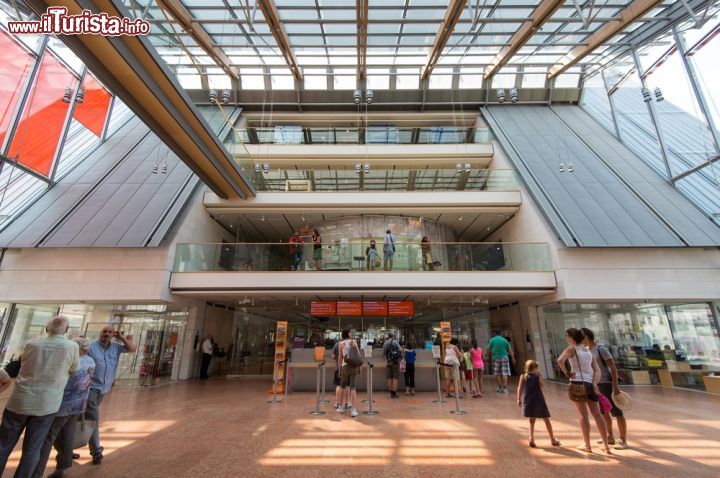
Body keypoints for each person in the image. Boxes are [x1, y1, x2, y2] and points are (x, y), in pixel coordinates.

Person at [0, 316, 80, 477]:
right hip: (46, 404)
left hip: (20, 400)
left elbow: (23, 362)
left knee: (3, 445)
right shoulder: (71, 346)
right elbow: (74, 369)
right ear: (66, 330)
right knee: (32, 449)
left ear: (46, 328)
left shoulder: (32, 344)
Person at [32, 338, 96, 478]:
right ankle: (63, 468)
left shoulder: (73, 362)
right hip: (79, 405)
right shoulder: (91, 361)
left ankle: (37, 471)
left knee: (49, 436)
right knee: (68, 434)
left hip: (63, 405)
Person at [85, 325, 136, 465]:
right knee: (93, 418)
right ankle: (96, 450)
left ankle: (65, 449)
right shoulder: (91, 347)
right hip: (89, 387)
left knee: (81, 418)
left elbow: (132, 349)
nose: (106, 334)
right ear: (99, 332)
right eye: (104, 331)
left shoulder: (116, 347)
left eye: (109, 332)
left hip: (103, 388)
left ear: (114, 334)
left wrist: (122, 338)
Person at [557, 328, 610, 454]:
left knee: (583, 415)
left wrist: (567, 373)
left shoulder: (571, 349)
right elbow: (597, 370)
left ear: (571, 337)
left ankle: (587, 445)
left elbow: (560, 360)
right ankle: (606, 445)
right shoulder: (588, 351)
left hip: (577, 383)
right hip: (590, 384)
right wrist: (595, 383)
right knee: (597, 414)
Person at [581, 328, 629, 450]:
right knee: (603, 412)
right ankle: (610, 436)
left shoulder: (600, 349)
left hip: (606, 384)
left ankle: (623, 440)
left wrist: (615, 386)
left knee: (617, 412)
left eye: (582, 338)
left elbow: (612, 367)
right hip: (597, 385)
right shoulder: (587, 350)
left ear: (586, 337)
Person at [517, 360, 560, 448]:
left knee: (531, 420)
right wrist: (540, 376)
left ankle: (531, 438)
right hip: (539, 400)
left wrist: (518, 399)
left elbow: (519, 388)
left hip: (528, 400)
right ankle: (552, 439)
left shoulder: (523, 376)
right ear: (535, 368)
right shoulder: (537, 376)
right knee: (546, 420)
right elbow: (542, 385)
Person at [337, 329, 361, 417]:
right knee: (353, 388)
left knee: (342, 387)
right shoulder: (354, 342)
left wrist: (339, 370)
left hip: (345, 367)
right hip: (354, 367)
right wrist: (359, 367)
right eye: (350, 332)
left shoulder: (341, 344)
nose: (351, 334)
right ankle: (353, 410)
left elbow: (340, 358)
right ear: (348, 333)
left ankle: (340, 407)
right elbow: (358, 356)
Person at [382, 332, 402, 398]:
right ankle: (394, 393)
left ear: (388, 336)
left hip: (388, 362)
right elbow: (400, 350)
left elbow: (383, 353)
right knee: (395, 378)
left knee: (389, 378)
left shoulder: (385, 343)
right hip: (395, 362)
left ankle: (391, 393)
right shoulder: (395, 342)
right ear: (393, 336)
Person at [332, 340, 343, 410]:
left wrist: (337, 357)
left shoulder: (336, 344)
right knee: (347, 386)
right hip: (346, 368)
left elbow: (333, 356)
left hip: (337, 368)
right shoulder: (349, 343)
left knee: (338, 385)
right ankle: (346, 402)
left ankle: (337, 402)